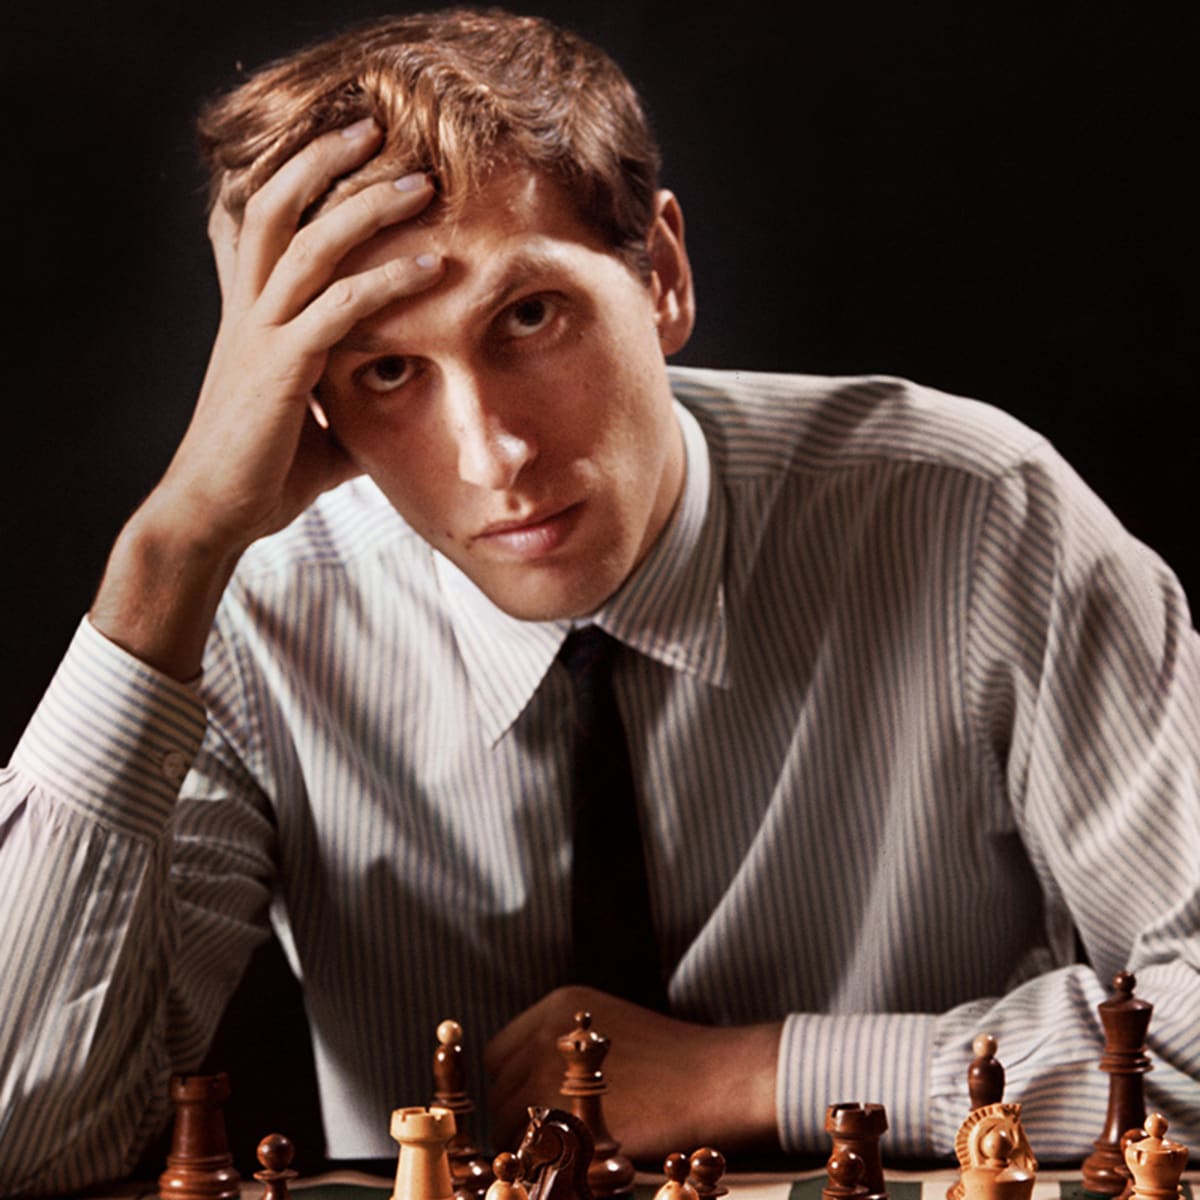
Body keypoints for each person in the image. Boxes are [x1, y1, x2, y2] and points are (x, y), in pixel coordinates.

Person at [1, 7, 1198, 1195]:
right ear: (314, 399)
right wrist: (167, 558)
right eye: (386, 370)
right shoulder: (253, 612)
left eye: (528, 316)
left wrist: (764, 1074)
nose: (492, 454)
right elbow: (29, 1143)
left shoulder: (982, 517)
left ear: (662, 275)